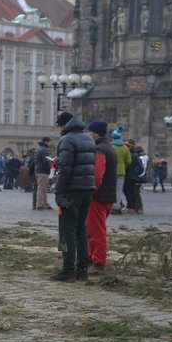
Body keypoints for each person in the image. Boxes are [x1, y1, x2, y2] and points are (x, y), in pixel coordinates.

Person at [52, 111, 96, 282]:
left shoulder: (67, 140)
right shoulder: (88, 138)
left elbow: (66, 171)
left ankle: (68, 270)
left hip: (71, 190)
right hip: (87, 188)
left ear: (63, 125)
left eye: (58, 126)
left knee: (67, 230)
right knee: (81, 230)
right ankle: (82, 270)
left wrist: (59, 191)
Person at [85, 120, 117, 276]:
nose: (87, 134)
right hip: (108, 195)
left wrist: (91, 191)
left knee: (96, 231)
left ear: (96, 133)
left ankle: (98, 262)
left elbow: (97, 175)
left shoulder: (99, 150)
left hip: (98, 196)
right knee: (94, 229)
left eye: (89, 131)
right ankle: (92, 257)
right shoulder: (109, 148)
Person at [111, 127, 132, 213]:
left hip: (111, 171)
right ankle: (117, 206)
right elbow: (129, 160)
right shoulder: (125, 148)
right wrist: (123, 166)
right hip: (121, 171)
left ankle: (111, 206)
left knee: (111, 189)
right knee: (119, 190)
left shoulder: (111, 146)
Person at [31, 137, 53, 210]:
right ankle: (39, 204)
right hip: (43, 171)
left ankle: (45, 203)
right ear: (46, 141)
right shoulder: (44, 149)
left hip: (37, 170)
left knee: (43, 188)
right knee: (41, 189)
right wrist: (48, 169)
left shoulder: (38, 148)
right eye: (50, 142)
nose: (50, 144)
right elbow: (46, 161)